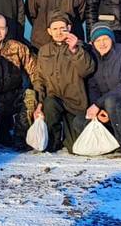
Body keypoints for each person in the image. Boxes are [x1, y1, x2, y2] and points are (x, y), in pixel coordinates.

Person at [31, 13, 95, 152]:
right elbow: (39, 78)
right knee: (49, 103)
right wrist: (40, 103)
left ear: (69, 28)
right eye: (55, 29)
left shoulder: (79, 47)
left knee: (75, 148)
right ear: (49, 31)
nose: (59, 32)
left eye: (62, 28)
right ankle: (53, 139)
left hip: (75, 102)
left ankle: (67, 135)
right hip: (54, 100)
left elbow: (87, 70)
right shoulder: (44, 50)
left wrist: (74, 50)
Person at [0, 13, 35, 148]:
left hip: (13, 97)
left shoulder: (17, 48)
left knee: (31, 96)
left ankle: (20, 137)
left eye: (2, 28)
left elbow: (34, 72)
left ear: (7, 30)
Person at [85, 23, 121, 157]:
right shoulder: (92, 57)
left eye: (105, 39)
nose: (102, 43)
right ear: (92, 43)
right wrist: (99, 110)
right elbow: (93, 87)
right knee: (78, 122)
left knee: (111, 101)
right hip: (104, 108)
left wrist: (98, 105)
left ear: (112, 39)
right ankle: (107, 144)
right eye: (98, 40)